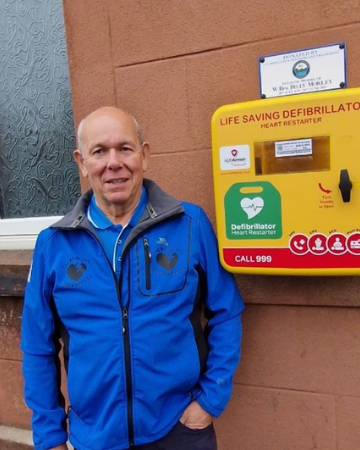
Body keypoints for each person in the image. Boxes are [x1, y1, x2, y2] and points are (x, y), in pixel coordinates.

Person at [21, 107, 244, 450]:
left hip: (179, 429)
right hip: (94, 437)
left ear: (145, 155)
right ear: (81, 162)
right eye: (99, 151)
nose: (113, 163)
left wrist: (209, 401)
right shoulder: (53, 245)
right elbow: (37, 347)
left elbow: (227, 311)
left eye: (125, 148)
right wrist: (49, 437)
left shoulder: (190, 225)